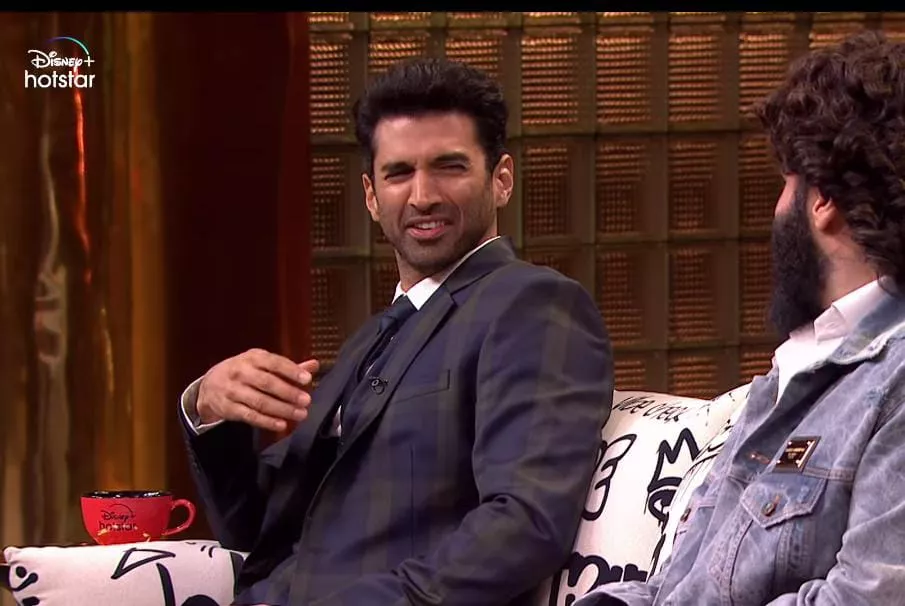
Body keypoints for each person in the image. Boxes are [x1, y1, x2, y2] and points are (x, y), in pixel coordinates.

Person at [179, 57, 614, 606]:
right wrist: (209, 408)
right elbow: (258, 530)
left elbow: (523, 524)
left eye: (449, 167)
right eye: (399, 173)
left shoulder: (531, 304)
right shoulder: (373, 339)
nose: (422, 195)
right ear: (370, 195)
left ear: (501, 180)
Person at [578, 30, 905, 606]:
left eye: (786, 185)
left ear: (822, 201)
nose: (777, 210)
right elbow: (679, 587)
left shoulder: (893, 385)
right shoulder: (798, 370)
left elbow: (865, 598)